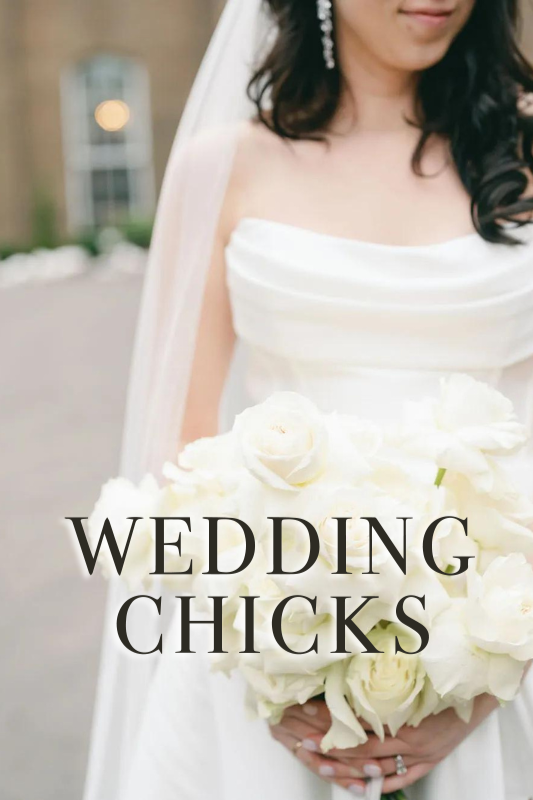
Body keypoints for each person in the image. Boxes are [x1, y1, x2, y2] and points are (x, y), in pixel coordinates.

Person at [84, 1, 533, 798]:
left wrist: (486, 672)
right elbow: (175, 460)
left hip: (505, 668)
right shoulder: (220, 168)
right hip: (264, 681)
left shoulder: (524, 158)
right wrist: (280, 667)